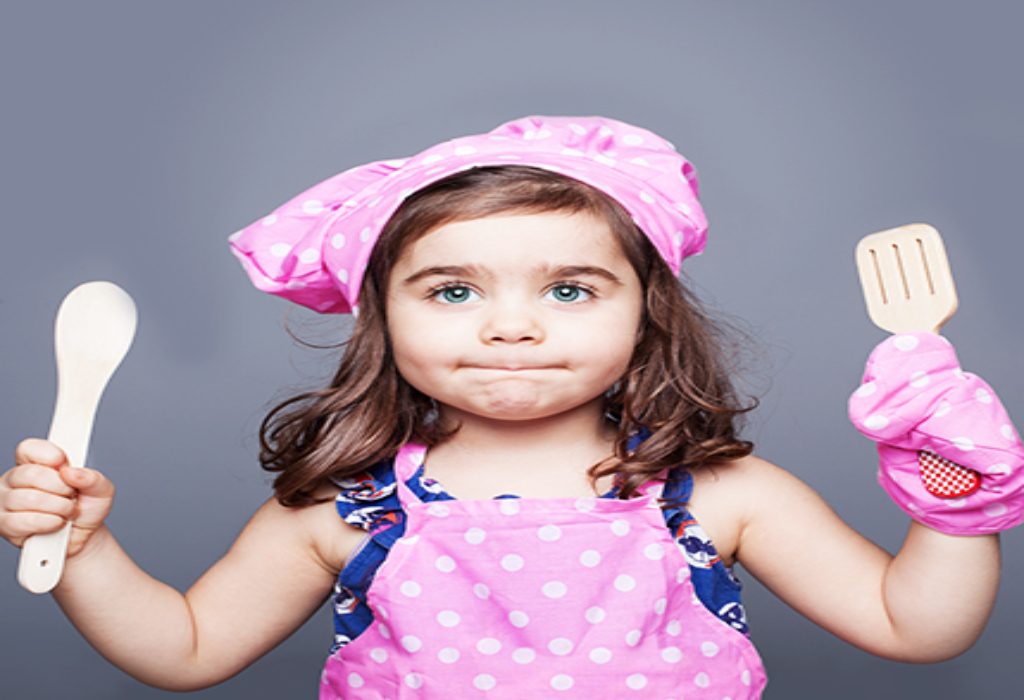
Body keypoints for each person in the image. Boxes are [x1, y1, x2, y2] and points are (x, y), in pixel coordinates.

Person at [3, 115, 1022, 699]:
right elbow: (183, 649)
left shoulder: (720, 494)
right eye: (452, 290)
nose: (511, 327)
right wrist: (84, 550)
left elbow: (914, 628)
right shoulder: (342, 509)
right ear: (382, 314)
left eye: (569, 288)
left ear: (644, 313)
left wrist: (953, 490)